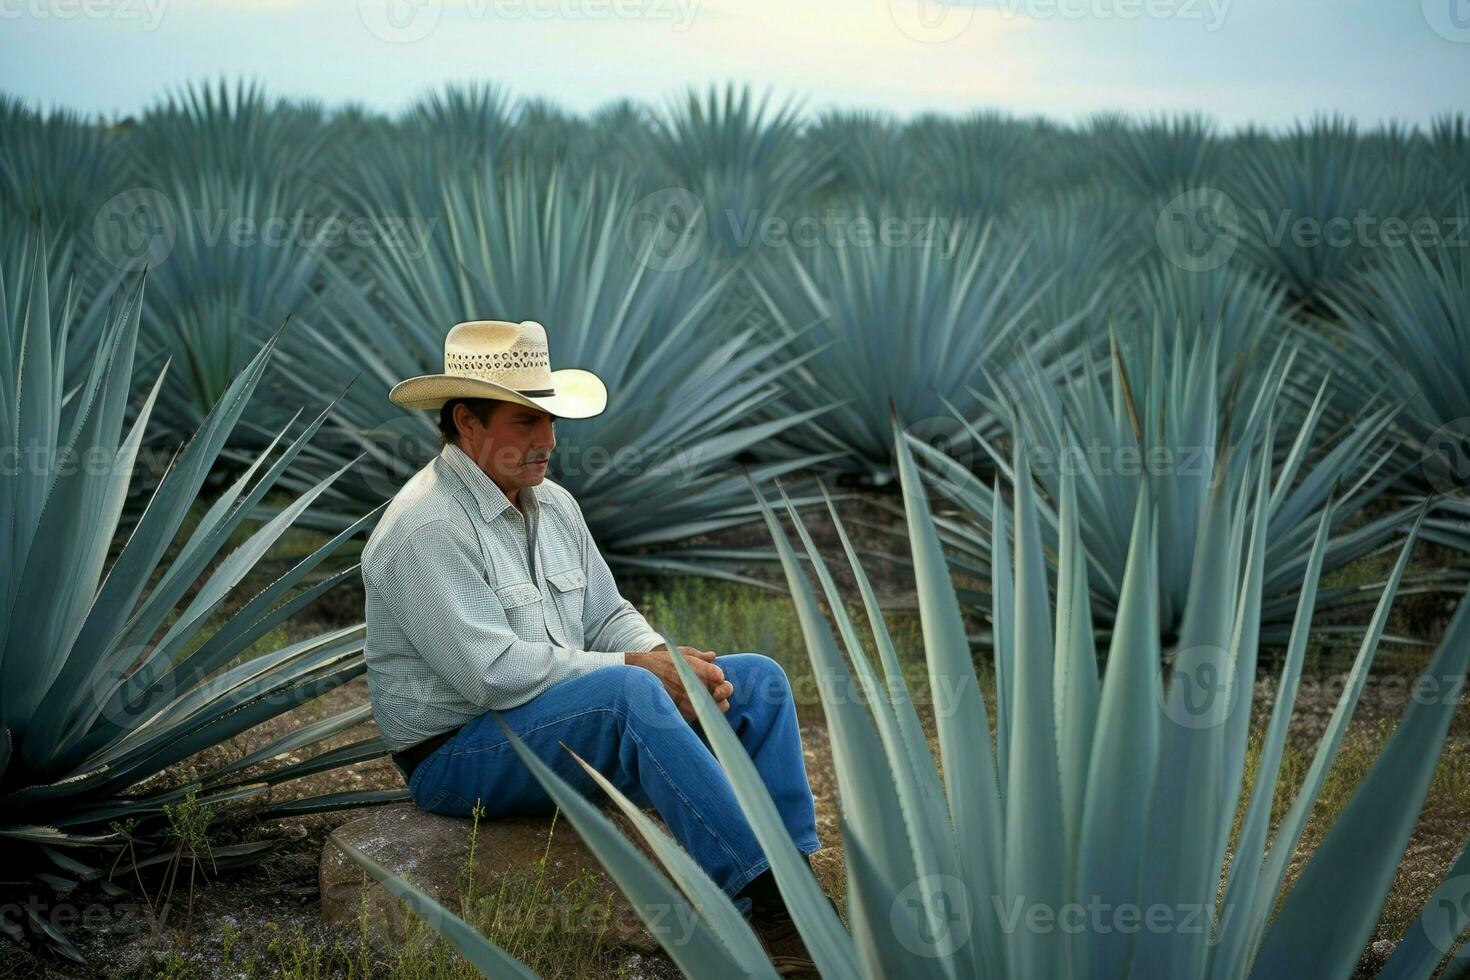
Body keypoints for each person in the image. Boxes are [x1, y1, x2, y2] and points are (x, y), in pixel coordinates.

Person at [360, 319, 832, 975]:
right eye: (527, 421)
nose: (549, 440)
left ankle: (798, 881)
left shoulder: (552, 505)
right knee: (630, 692)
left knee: (758, 680)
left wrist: (672, 665)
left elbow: (607, 614)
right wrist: (639, 670)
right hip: (456, 754)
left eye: (549, 420)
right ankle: (767, 908)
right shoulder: (425, 528)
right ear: (467, 423)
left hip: (555, 718)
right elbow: (490, 676)